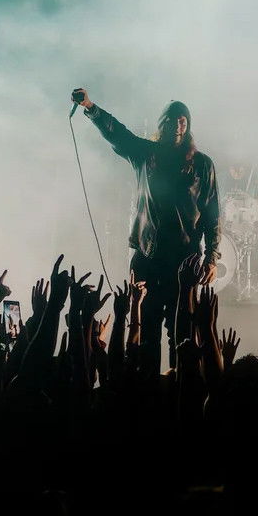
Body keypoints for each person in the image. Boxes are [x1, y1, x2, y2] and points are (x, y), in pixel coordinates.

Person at [73, 88, 221, 368]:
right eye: (172, 120)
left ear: (188, 125)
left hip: (184, 261)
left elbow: (212, 214)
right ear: (162, 124)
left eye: (183, 120)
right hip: (148, 257)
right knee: (146, 329)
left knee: (182, 333)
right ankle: (145, 384)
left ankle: (179, 384)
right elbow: (118, 134)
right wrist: (91, 107)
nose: (177, 125)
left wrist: (212, 257)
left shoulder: (202, 164)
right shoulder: (146, 154)